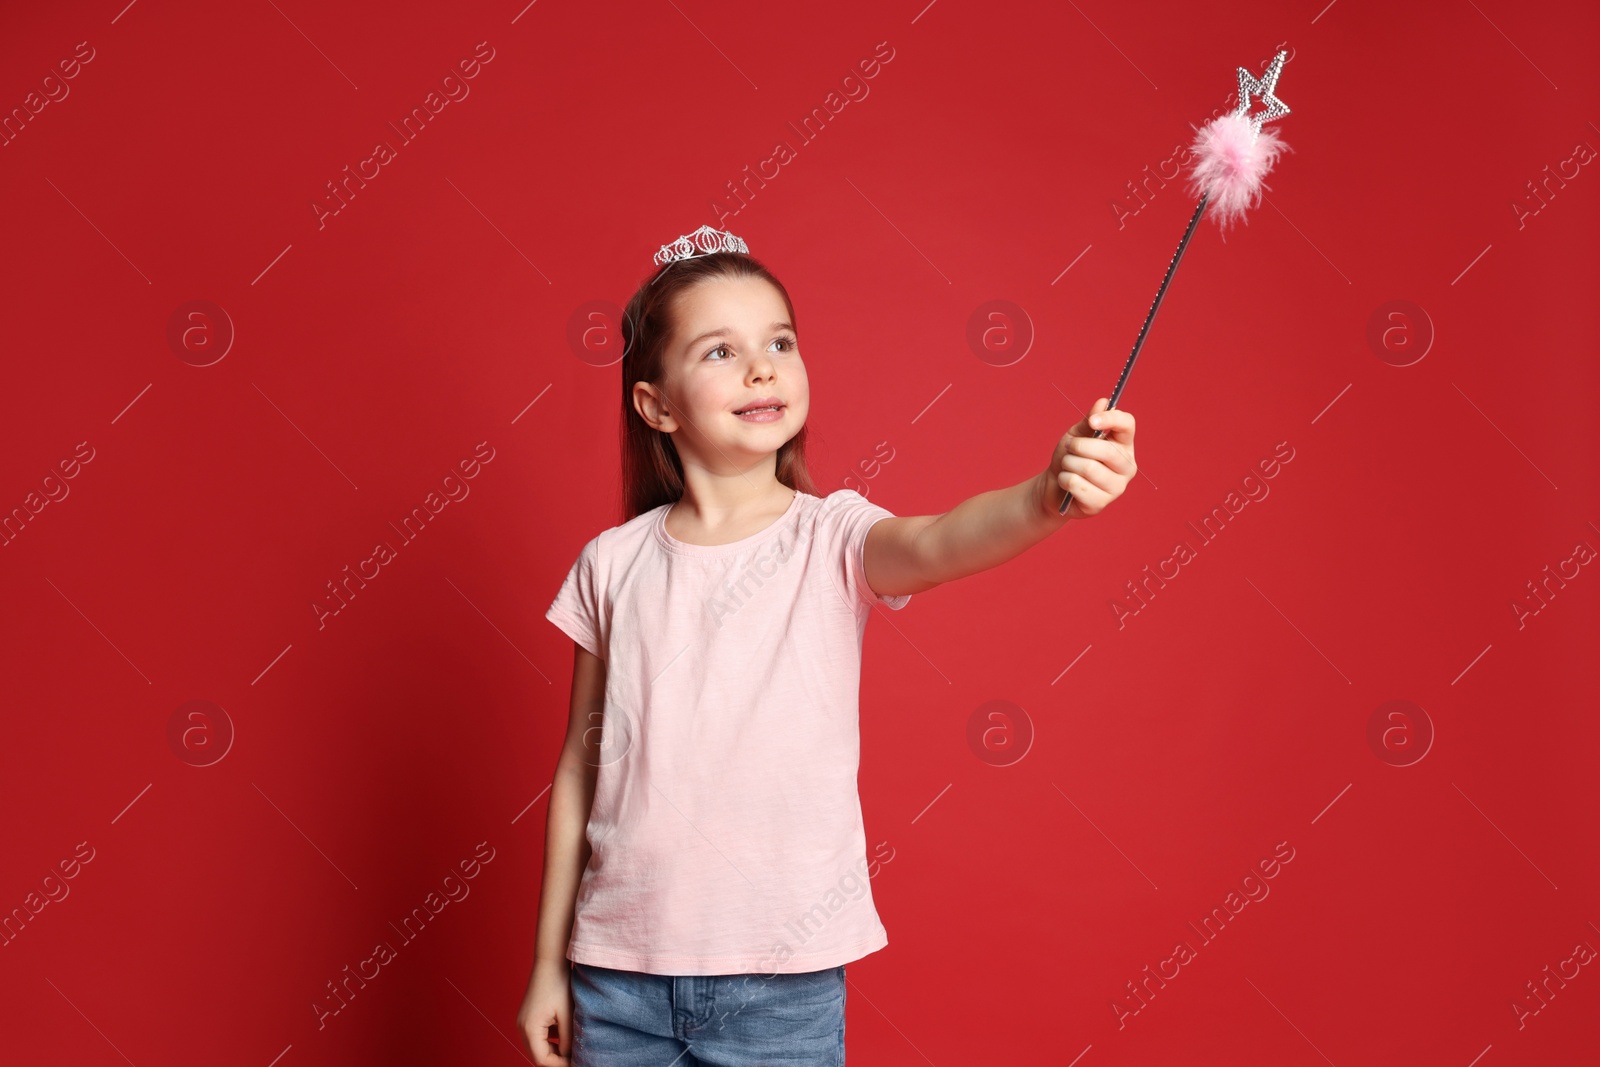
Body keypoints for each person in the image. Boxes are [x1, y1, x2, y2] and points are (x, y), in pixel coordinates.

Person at [517, 225, 1137, 1065]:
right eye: (719, 351)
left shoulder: (833, 536)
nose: (762, 367)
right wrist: (549, 964)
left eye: (779, 341)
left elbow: (940, 540)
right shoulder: (614, 563)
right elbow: (579, 769)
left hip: (781, 987)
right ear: (655, 404)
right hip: (616, 980)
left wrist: (1044, 495)